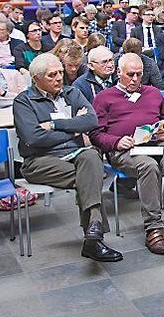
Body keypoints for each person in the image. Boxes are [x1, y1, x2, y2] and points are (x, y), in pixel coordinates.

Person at [13, 53, 122, 262]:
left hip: (76, 155)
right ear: (36, 78)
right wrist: (74, 128)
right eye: (52, 75)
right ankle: (94, 236)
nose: (58, 78)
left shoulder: (72, 93)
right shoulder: (24, 101)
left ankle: (93, 234)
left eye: (60, 73)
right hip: (40, 161)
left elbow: (91, 121)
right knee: (90, 175)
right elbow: (33, 138)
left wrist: (56, 125)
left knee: (91, 156)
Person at [90, 53, 164, 254]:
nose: (135, 79)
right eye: (130, 74)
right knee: (148, 166)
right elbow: (96, 134)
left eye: (139, 74)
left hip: (157, 143)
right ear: (118, 72)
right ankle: (153, 228)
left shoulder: (152, 92)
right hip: (125, 148)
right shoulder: (104, 98)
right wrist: (116, 141)